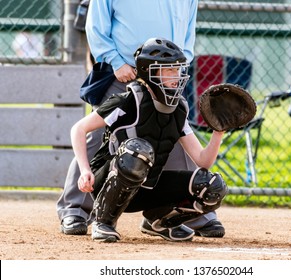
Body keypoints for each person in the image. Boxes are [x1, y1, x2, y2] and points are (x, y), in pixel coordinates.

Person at [57, 0, 226, 238]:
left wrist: (179, 68)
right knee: (101, 138)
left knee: (172, 134)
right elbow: (96, 27)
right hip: (124, 70)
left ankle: (175, 214)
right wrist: (115, 61)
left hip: (168, 74)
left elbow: (188, 32)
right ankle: (76, 209)